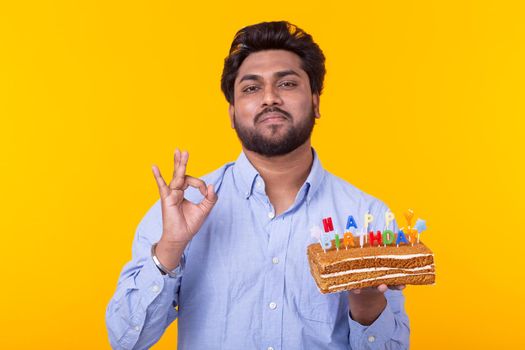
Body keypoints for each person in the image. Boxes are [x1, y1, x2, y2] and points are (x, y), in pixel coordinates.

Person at [106, 21, 410, 350]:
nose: (269, 98)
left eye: (287, 84)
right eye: (251, 88)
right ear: (232, 113)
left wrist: (366, 308)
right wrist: (170, 248)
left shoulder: (366, 217)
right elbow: (125, 340)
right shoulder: (182, 209)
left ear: (316, 101)